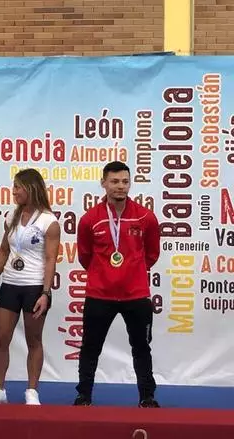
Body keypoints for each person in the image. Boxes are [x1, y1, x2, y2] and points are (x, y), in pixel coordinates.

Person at [73, 161, 160, 408]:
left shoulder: (145, 217)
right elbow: (85, 256)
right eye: (114, 181)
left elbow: (152, 254)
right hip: (100, 295)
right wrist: (104, 274)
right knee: (90, 347)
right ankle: (84, 396)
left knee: (141, 347)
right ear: (103, 183)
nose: (120, 186)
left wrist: (132, 272)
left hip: (136, 295)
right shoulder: (90, 219)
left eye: (124, 181)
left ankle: (147, 397)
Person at [0, 169, 60, 405]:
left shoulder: (49, 221)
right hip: (10, 284)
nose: (14, 191)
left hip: (34, 287)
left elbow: (50, 259)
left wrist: (45, 293)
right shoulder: (11, 216)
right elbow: (4, 250)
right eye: (14, 186)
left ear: (31, 188)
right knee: (1, 338)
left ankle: (32, 391)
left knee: (33, 340)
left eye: (18, 187)